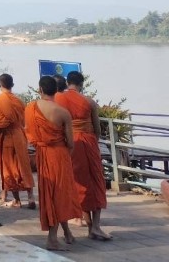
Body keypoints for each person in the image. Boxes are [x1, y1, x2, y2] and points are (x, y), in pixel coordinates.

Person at [25, 76, 82, 251]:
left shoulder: (30, 107)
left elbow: (29, 133)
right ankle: (52, 239)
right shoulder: (62, 112)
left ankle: (66, 233)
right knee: (59, 195)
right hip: (59, 155)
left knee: (52, 195)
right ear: (56, 91)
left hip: (42, 154)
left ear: (40, 90)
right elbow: (70, 143)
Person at [55, 71, 111, 241]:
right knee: (96, 181)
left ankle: (89, 224)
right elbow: (98, 129)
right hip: (88, 142)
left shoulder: (58, 99)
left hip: (70, 143)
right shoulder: (89, 101)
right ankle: (96, 227)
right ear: (81, 84)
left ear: (67, 83)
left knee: (79, 182)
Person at [0, 73, 35, 209]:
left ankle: (17, 200)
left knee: (10, 168)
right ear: (12, 85)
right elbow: (23, 120)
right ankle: (31, 197)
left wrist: (7, 122)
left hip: (7, 137)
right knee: (24, 166)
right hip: (20, 135)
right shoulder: (19, 101)